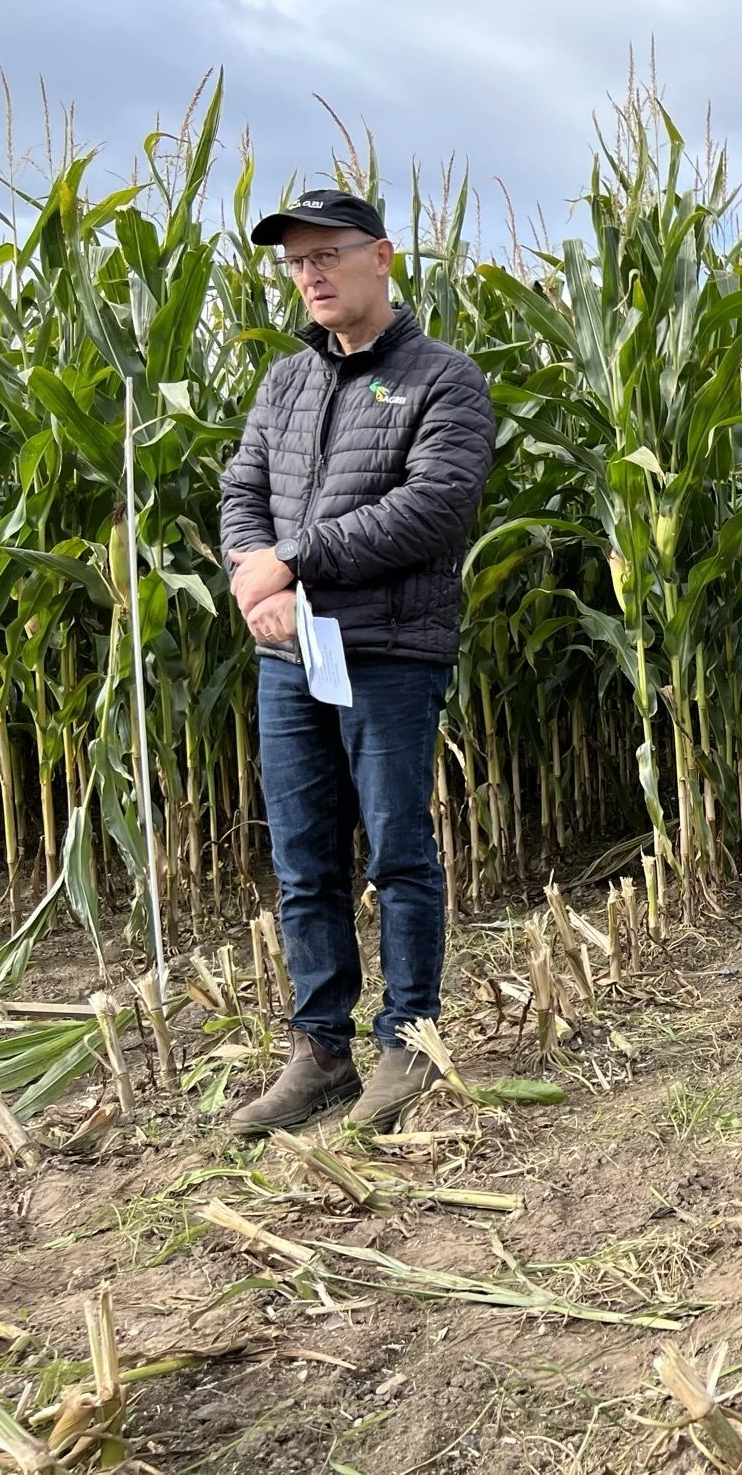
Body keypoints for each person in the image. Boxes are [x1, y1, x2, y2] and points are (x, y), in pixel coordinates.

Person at [218, 189, 493, 1133]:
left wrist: (294, 560)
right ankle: (320, 1049)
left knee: (397, 851)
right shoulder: (284, 386)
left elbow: (433, 508)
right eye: (296, 263)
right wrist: (260, 583)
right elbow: (242, 493)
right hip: (291, 654)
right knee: (302, 859)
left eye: (328, 254)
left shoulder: (442, 379)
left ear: (382, 256)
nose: (312, 275)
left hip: (388, 652)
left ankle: (409, 1038)